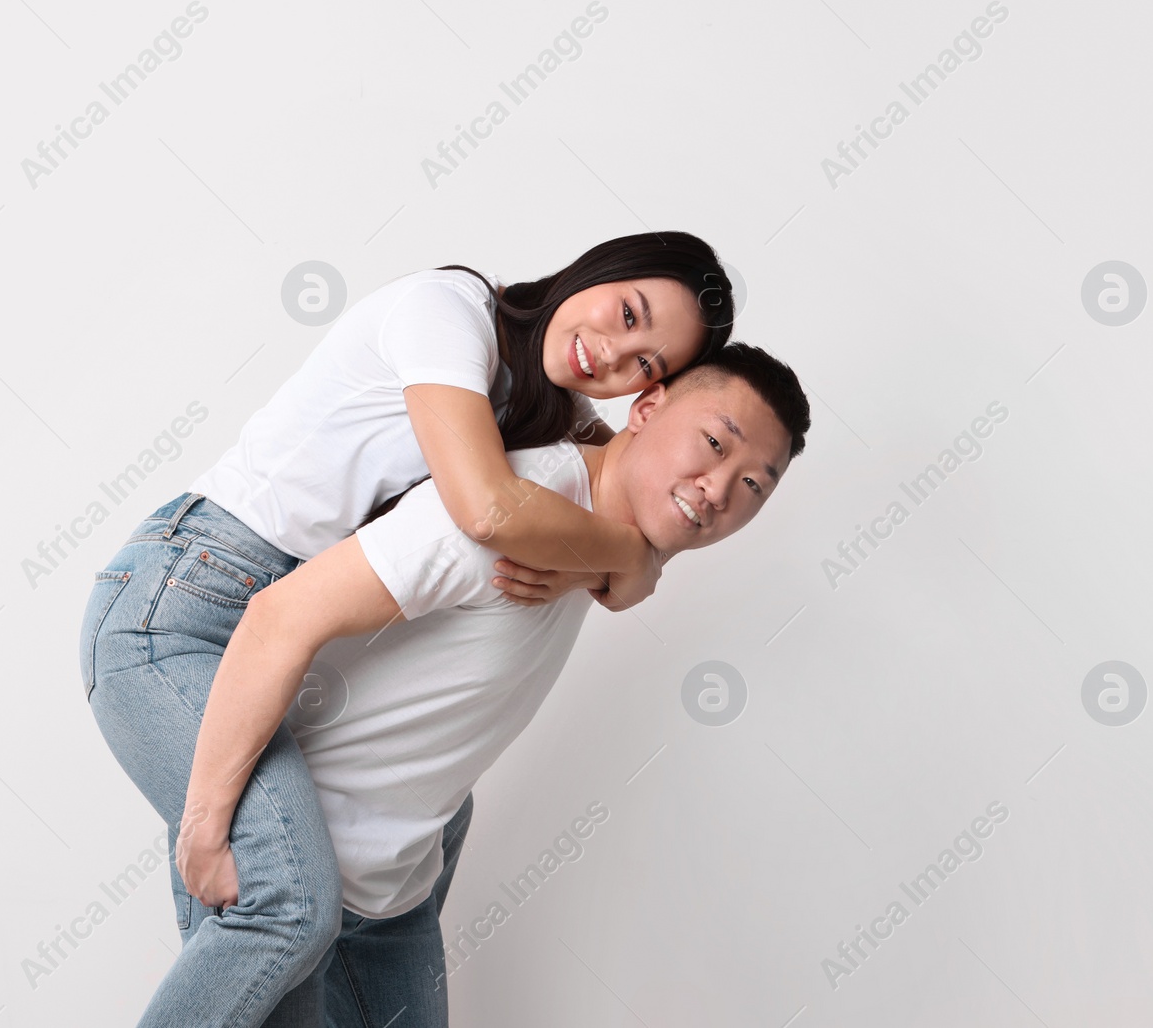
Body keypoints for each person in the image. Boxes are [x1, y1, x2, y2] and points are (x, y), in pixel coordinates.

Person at [80, 233, 738, 1025]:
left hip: (281, 649)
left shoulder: (548, 412)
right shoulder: (447, 313)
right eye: (627, 312)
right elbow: (490, 506)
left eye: (646, 364)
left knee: (377, 870)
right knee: (288, 905)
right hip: (179, 607)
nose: (614, 354)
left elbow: (634, 489)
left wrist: (626, 565)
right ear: (597, 269)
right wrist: (625, 558)